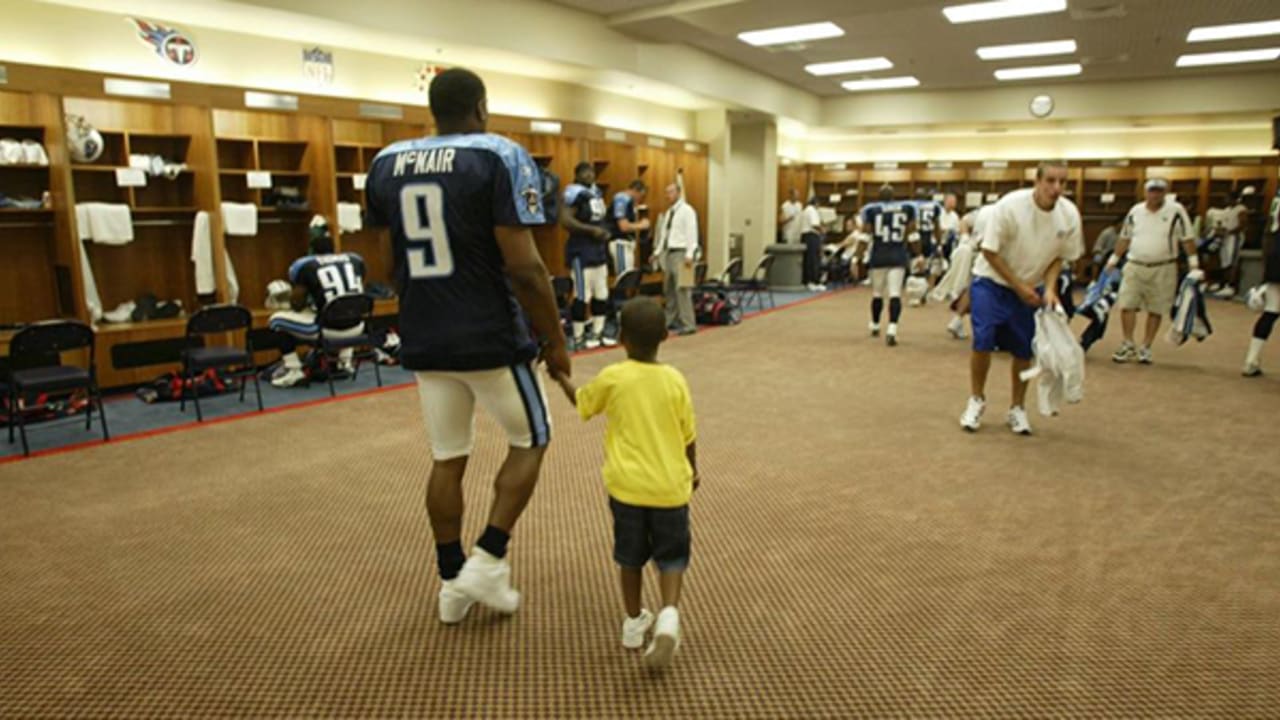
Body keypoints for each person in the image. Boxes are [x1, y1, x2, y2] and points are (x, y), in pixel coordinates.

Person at [364, 67, 570, 624]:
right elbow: (526, 268)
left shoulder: (385, 164)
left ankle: (450, 578)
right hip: (490, 336)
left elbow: (386, 266)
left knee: (447, 456)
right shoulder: (497, 155)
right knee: (533, 438)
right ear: (480, 106)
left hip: (425, 334)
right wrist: (555, 343)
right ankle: (489, 555)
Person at [550, 297, 698, 670]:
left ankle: (633, 623)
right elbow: (688, 436)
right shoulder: (675, 380)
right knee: (672, 556)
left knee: (629, 556)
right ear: (665, 335)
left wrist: (560, 377)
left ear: (621, 339)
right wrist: (692, 471)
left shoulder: (614, 377)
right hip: (669, 487)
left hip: (627, 488)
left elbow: (582, 402)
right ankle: (668, 616)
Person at [959, 161, 1083, 436]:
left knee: (1024, 350)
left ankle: (1017, 408)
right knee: (983, 340)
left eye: (1063, 182)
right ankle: (976, 400)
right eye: (1050, 181)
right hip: (991, 282)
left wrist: (1049, 289)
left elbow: (1058, 257)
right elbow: (989, 251)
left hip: (1030, 287)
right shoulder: (1010, 207)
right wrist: (1018, 286)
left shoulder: (1069, 215)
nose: (1057, 188)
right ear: (1037, 181)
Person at [1107, 178, 1201, 365]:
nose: (1155, 194)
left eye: (1159, 191)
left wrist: (1194, 264)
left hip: (1164, 266)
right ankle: (1128, 343)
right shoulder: (1136, 211)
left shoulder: (1176, 211)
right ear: (1145, 192)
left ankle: (1146, 347)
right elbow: (1125, 237)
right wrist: (1113, 260)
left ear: (1165, 192)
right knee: (1127, 304)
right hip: (1135, 264)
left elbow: (1187, 238)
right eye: (1152, 191)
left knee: (1156, 308)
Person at [267, 232, 366, 388]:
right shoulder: (355, 260)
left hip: (328, 330)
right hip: (358, 326)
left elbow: (297, 305)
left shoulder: (306, 265)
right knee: (345, 311)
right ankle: (344, 362)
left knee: (276, 320)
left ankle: (293, 370)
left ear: (312, 251)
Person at [851, 185, 921, 346]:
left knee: (877, 293)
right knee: (895, 293)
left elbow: (865, 237)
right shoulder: (907, 208)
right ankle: (892, 328)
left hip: (879, 255)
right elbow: (912, 234)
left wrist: (856, 258)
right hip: (897, 254)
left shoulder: (871, 210)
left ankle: (875, 324)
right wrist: (919, 255)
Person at [561, 161, 612, 349]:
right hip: (580, 252)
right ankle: (578, 335)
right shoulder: (573, 193)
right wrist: (590, 230)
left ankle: (597, 332)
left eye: (591, 171)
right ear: (577, 174)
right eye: (584, 172)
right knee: (582, 295)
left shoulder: (596, 193)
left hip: (598, 251)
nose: (589, 175)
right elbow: (565, 221)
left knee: (602, 293)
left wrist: (604, 231)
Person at [651, 182, 699, 336]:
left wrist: (690, 254)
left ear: (678, 193)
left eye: (670, 192)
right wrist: (657, 252)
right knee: (669, 289)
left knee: (683, 289)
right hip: (669, 253)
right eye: (666, 192)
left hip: (683, 253)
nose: (667, 195)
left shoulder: (687, 211)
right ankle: (669, 321)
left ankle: (689, 323)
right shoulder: (669, 212)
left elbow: (692, 233)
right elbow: (664, 235)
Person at [1243, 187, 1280, 377]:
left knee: (1271, 311)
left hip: (1275, 258)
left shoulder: (1277, 198)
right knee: (1271, 311)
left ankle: (1251, 360)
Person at [1211, 190, 1250, 298]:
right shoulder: (1226, 210)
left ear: (1234, 199)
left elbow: (1242, 225)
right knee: (1224, 261)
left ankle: (1231, 286)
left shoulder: (1241, 209)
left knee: (1232, 262)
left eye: (1227, 198)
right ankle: (1222, 283)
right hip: (1225, 238)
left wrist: (1229, 232)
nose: (1225, 200)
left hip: (1234, 238)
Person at [609, 179, 651, 272]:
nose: (640, 200)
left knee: (629, 276)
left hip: (627, 244)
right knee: (624, 277)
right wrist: (641, 225)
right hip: (620, 243)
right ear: (636, 191)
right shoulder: (622, 199)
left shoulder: (629, 202)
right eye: (641, 196)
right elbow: (623, 226)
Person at [799, 197, 826, 291]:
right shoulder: (812, 210)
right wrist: (823, 230)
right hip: (811, 236)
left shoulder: (806, 210)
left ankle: (808, 281)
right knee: (813, 260)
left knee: (808, 259)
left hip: (805, 236)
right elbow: (814, 224)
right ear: (816, 203)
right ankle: (813, 281)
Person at [1088, 215, 1124, 283]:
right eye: (1122, 223)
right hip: (1104, 254)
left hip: (1119, 255)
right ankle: (1093, 280)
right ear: (1118, 223)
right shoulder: (1107, 232)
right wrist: (1099, 254)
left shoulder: (1124, 234)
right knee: (1097, 258)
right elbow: (1097, 247)